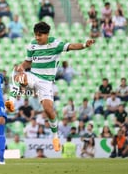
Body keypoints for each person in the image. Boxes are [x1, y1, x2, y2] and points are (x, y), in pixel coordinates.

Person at [12, 21, 95, 152]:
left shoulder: (55, 44)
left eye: (40, 35)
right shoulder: (32, 45)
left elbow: (72, 46)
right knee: (19, 76)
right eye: (36, 35)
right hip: (34, 76)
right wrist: (21, 67)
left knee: (49, 110)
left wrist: (85, 45)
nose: (37, 38)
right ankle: (12, 100)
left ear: (47, 34)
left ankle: (55, 138)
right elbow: (28, 62)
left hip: (46, 82)